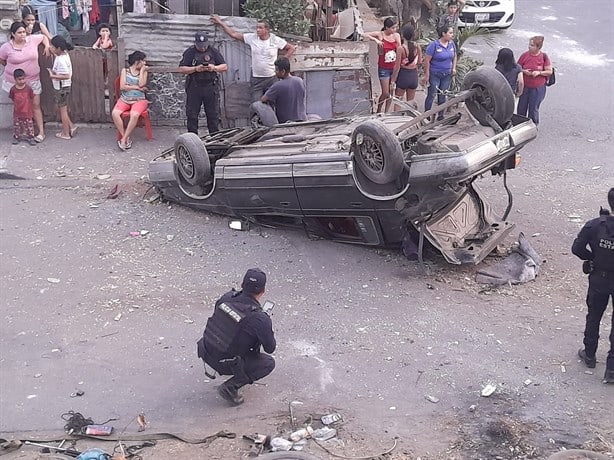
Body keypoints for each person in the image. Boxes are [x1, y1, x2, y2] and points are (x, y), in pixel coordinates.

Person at [197, 268, 276, 405]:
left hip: (206, 350)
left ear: (242, 285)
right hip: (224, 362)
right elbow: (270, 348)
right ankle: (230, 388)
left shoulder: (226, 297)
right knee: (267, 363)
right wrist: (264, 325)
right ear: (263, 291)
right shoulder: (259, 318)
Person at [572, 188, 614, 385]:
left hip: (599, 277)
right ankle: (611, 370)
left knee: (594, 316)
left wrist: (592, 259)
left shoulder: (595, 225)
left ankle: (589, 355)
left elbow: (577, 248)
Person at [211, 15, 296, 101]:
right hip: (256, 78)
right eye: (257, 28)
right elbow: (234, 34)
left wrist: (282, 61)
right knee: (256, 104)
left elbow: (291, 48)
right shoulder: (252, 38)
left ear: (267, 30)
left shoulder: (275, 40)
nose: (257, 30)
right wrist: (221, 23)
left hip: (271, 78)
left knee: (272, 103)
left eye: (260, 28)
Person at [0, 21, 50, 143]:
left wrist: (47, 45)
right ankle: (21, 132)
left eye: (23, 32)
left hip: (33, 80)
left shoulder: (32, 40)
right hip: (14, 83)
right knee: (19, 107)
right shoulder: (6, 47)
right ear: (13, 34)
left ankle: (41, 132)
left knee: (36, 105)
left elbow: (43, 37)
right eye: (19, 33)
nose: (23, 35)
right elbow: (2, 60)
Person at [179, 32, 228, 136]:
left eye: (204, 46)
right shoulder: (190, 52)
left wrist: (214, 68)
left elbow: (224, 66)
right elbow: (182, 69)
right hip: (194, 87)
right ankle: (193, 138)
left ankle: (214, 138)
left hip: (210, 87)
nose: (202, 48)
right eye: (200, 46)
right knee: (192, 115)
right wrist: (195, 69)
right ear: (195, 43)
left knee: (213, 115)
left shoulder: (213, 51)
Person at [112, 50, 149, 150]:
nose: (145, 63)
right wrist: (137, 88)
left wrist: (141, 71)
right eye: (143, 61)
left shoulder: (144, 71)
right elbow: (122, 87)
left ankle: (123, 140)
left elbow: (142, 84)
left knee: (134, 114)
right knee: (115, 113)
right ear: (137, 61)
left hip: (139, 100)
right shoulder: (125, 71)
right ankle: (126, 136)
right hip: (125, 98)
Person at [363, 17, 401, 113]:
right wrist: (376, 40)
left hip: (393, 67)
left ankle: (386, 111)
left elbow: (400, 50)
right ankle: (379, 109)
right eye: (392, 28)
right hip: (383, 68)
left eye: (395, 27)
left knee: (391, 92)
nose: (394, 30)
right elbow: (364, 34)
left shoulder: (396, 36)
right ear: (386, 27)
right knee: (385, 92)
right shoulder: (380, 35)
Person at [422, 25, 457, 120]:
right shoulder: (434, 45)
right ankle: (427, 115)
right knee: (432, 94)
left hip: (447, 75)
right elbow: (427, 60)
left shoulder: (451, 44)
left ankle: (441, 115)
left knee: (443, 95)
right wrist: (427, 74)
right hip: (435, 74)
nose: (452, 35)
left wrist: (453, 68)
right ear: (443, 34)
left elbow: (454, 56)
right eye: (450, 33)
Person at [516, 36, 552, 125]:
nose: (529, 47)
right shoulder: (524, 55)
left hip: (537, 88)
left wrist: (539, 73)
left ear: (538, 47)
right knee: (522, 107)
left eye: (532, 45)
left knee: (534, 108)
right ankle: (519, 124)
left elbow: (549, 71)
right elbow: (517, 67)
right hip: (525, 86)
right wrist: (524, 71)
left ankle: (533, 125)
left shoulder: (544, 57)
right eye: (529, 45)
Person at [261, 57, 306, 123]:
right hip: (302, 120)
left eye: (276, 70)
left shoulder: (277, 86)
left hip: (286, 123)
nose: (275, 72)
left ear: (283, 71)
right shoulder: (299, 80)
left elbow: (263, 99)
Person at [47, 35, 76, 140]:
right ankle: (71, 127)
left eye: (52, 46)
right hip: (64, 86)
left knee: (63, 111)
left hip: (61, 87)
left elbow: (66, 75)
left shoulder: (60, 59)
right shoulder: (64, 55)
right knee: (61, 109)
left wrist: (52, 75)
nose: (51, 48)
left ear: (58, 48)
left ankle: (66, 133)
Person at [391, 24, 422, 110]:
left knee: (398, 101)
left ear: (402, 35)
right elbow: (419, 61)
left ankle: (397, 122)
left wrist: (393, 80)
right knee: (410, 102)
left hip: (403, 76)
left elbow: (397, 67)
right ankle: (411, 121)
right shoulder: (417, 46)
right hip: (413, 76)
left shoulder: (401, 49)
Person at [9, 68, 36, 145]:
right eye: (19, 79)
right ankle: (17, 137)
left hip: (27, 112)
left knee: (29, 126)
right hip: (17, 112)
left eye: (23, 79)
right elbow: (12, 98)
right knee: (17, 126)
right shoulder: (13, 89)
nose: (22, 81)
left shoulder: (28, 89)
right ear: (15, 79)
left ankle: (30, 137)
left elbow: (31, 97)